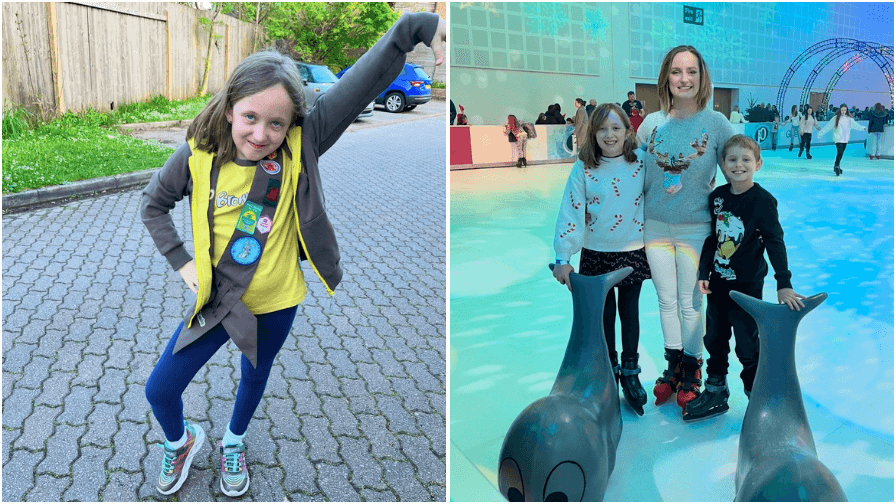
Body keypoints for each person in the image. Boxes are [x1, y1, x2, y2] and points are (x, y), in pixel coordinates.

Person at [139, 13, 445, 497]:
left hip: (278, 301)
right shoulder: (198, 155)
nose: (261, 134)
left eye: (276, 123)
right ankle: (183, 441)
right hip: (219, 300)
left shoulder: (302, 146)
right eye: (251, 118)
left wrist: (414, 27)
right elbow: (153, 205)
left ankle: (235, 441)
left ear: (292, 123)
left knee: (254, 377)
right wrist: (184, 264)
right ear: (229, 110)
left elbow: (358, 84)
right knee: (160, 388)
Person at [636, 45, 734, 415]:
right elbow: (631, 170)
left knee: (691, 303)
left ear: (701, 77)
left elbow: (735, 178)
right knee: (666, 300)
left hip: (696, 229)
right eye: (676, 72)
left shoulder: (716, 125)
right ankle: (674, 363)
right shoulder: (651, 124)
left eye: (691, 71)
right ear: (666, 77)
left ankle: (694, 367)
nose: (684, 79)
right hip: (655, 226)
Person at [683, 135, 806, 422]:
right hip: (718, 285)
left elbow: (775, 241)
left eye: (746, 159)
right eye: (732, 160)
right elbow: (713, 239)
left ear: (758, 164)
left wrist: (783, 282)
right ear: (723, 166)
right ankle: (715, 390)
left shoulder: (762, 201)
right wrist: (704, 273)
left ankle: (758, 394)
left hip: (747, 287)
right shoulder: (718, 198)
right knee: (714, 339)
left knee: (748, 344)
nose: (739, 165)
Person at [553, 103, 651, 415]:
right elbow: (571, 211)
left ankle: (631, 370)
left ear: (627, 131)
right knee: (604, 316)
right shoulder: (584, 167)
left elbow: (662, 196)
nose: (609, 135)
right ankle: (607, 371)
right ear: (593, 133)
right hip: (596, 253)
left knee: (630, 313)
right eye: (602, 129)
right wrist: (562, 256)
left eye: (616, 128)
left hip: (632, 250)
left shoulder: (642, 163)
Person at [818, 103, 867, 176]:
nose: (843, 111)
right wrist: (820, 133)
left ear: (847, 110)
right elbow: (828, 127)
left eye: (845, 110)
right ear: (840, 110)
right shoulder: (835, 118)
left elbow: (856, 125)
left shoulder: (849, 119)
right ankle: (837, 165)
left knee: (841, 153)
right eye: (842, 110)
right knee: (840, 152)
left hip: (845, 138)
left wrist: (862, 128)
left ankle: (837, 165)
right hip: (838, 138)